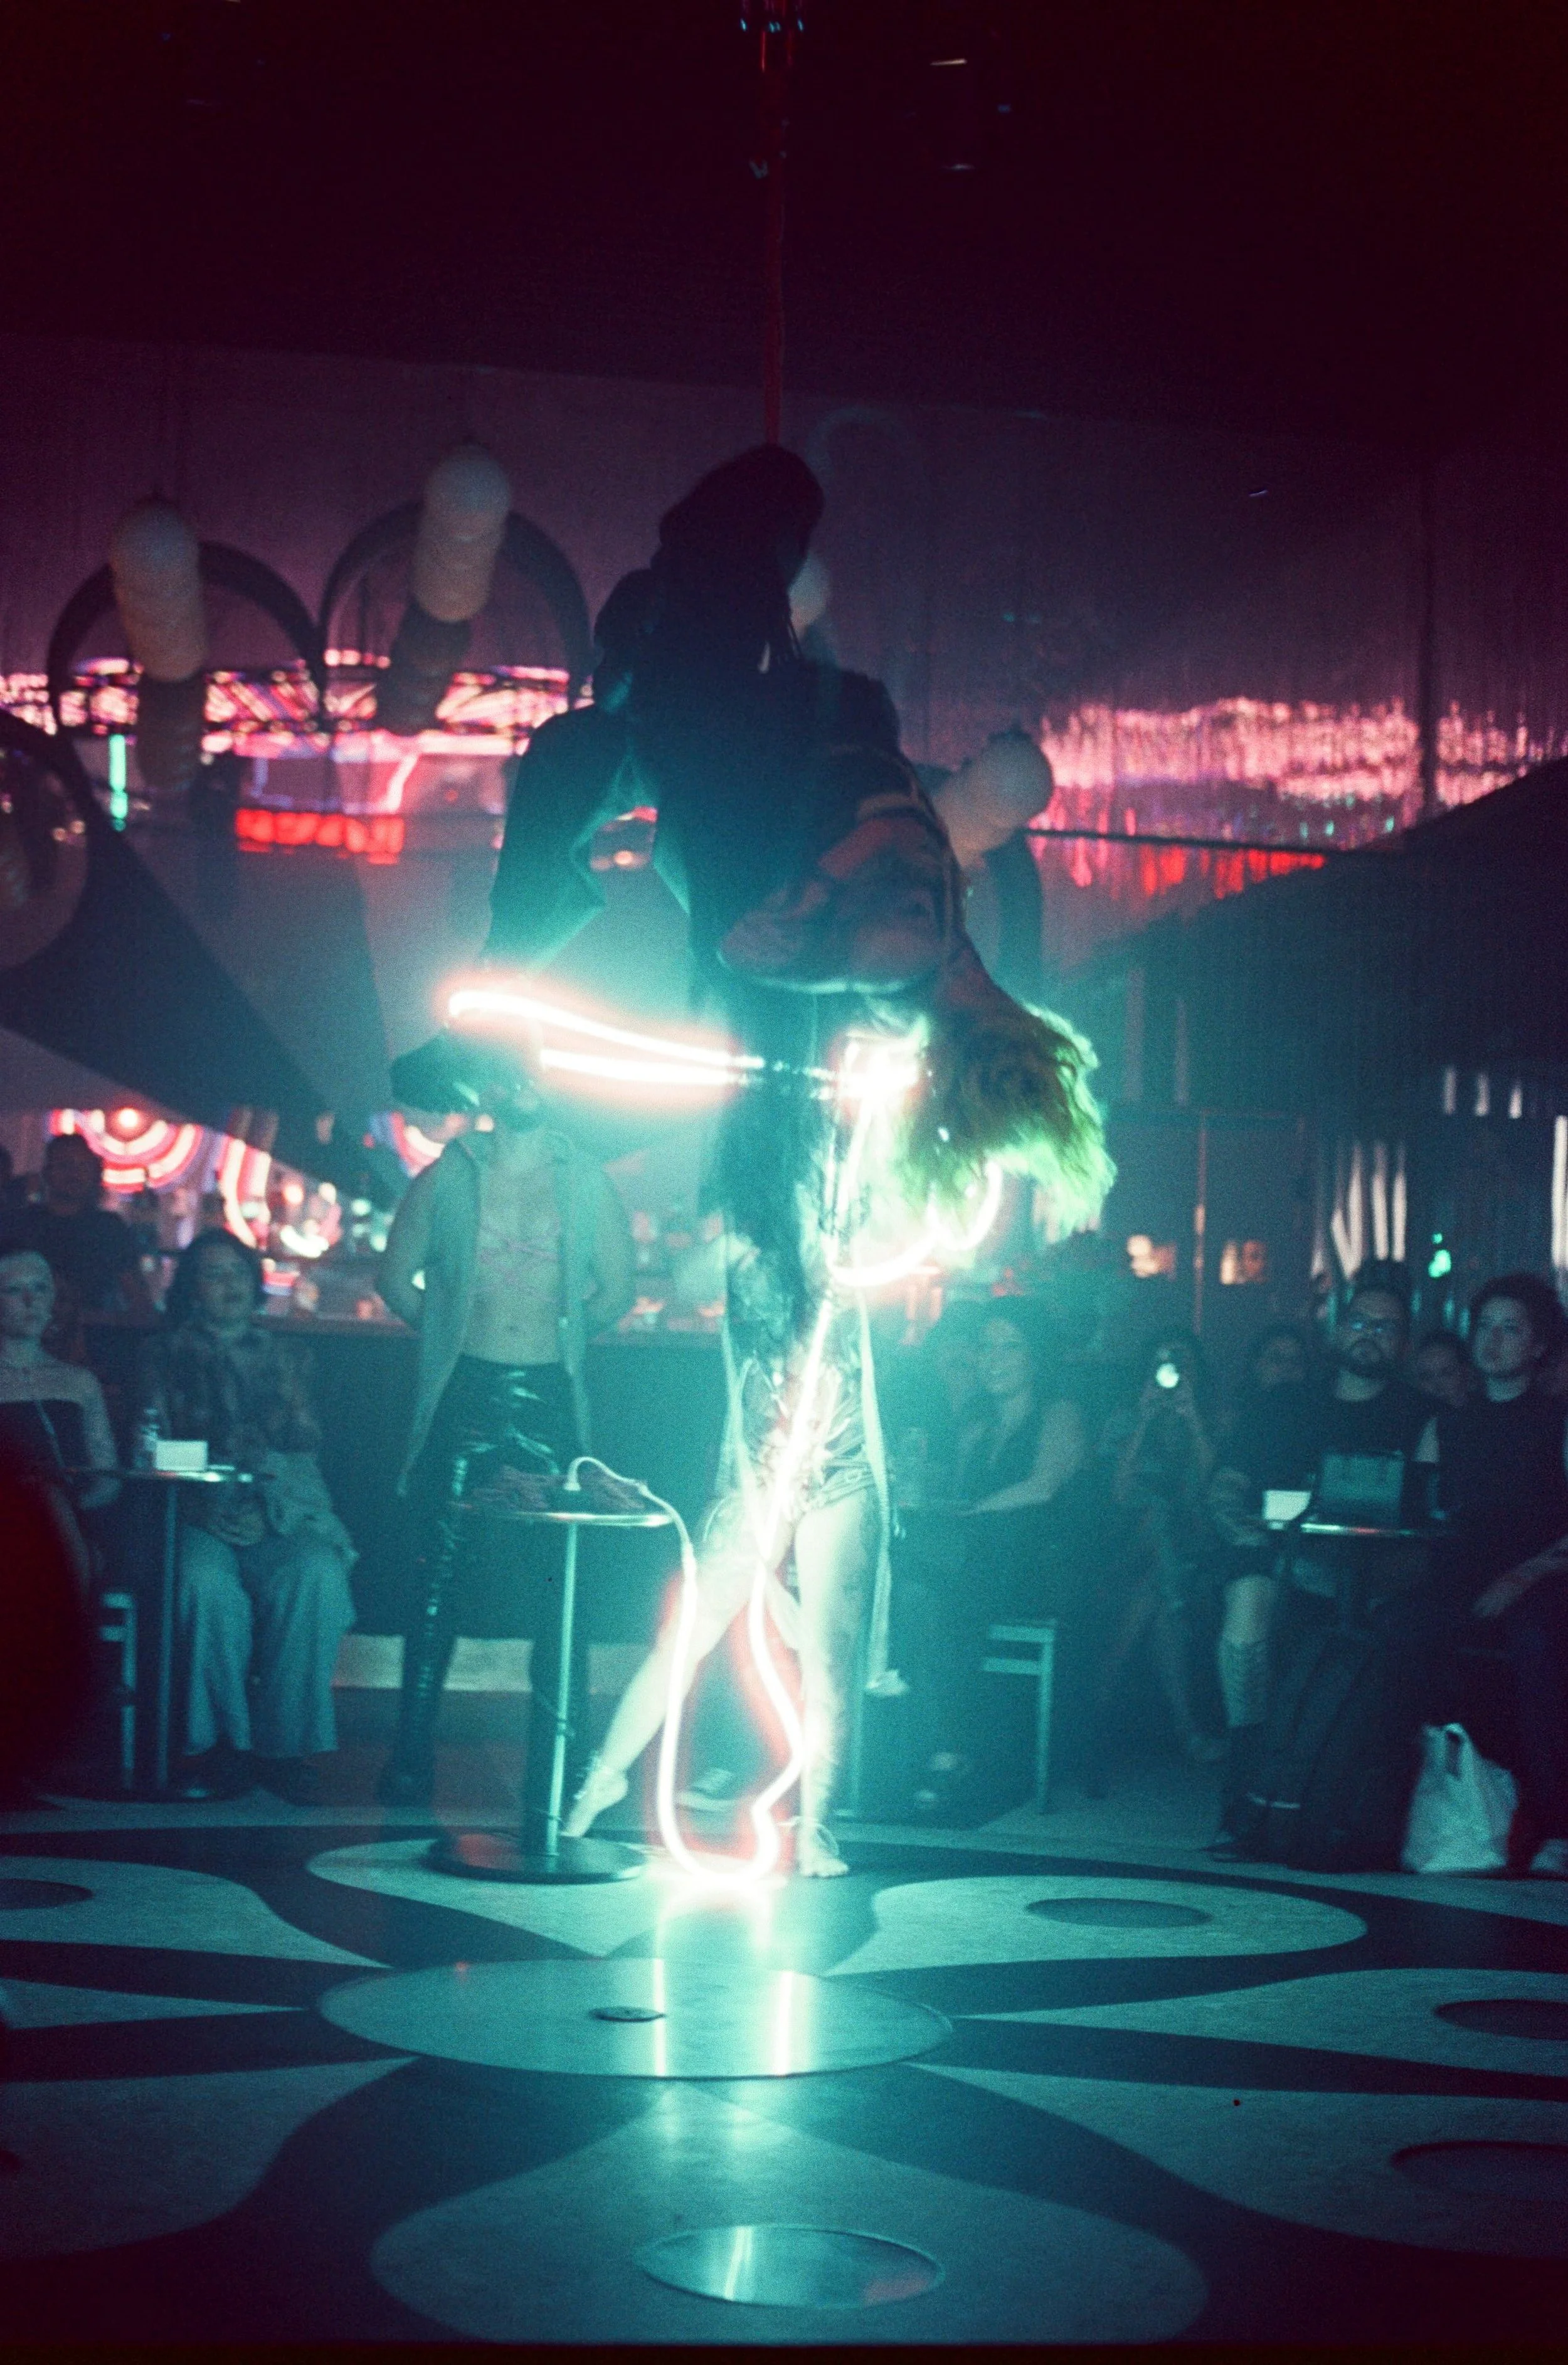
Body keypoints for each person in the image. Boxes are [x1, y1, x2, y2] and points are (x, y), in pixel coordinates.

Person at [375, 1059, 635, 1817]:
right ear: (488, 1088)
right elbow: (395, 1279)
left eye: (536, 1068)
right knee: (436, 1578)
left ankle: (560, 1754)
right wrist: (449, 1337)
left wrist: (564, 1340)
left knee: (562, 1580)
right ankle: (410, 1756)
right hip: (465, 1391)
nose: (523, 1082)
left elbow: (616, 1291)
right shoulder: (445, 1177)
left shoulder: (585, 1180)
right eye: (510, 1068)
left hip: (549, 1393)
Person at [1207, 1264, 1429, 1844]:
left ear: (1403, 1341)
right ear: (1336, 1331)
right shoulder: (1286, 1403)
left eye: (1386, 1327)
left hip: (1372, 1574)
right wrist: (1242, 1528)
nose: (1370, 1334)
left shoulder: (1419, 1414)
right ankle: (1244, 1774)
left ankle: (1320, 1797)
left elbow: (1430, 1514)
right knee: (1247, 1615)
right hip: (1277, 1558)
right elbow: (1227, 1484)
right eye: (1360, 1321)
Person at [136, 1231, 357, 1803]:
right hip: (191, 1513)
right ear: (191, 1288)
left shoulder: (290, 1359)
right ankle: (220, 1744)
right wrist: (199, 1506)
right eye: (213, 1274)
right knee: (205, 1583)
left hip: (276, 1512)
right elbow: (148, 1450)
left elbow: (304, 1453)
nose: (229, 1284)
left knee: (315, 1572)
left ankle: (285, 1746)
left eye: (237, 1271)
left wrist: (268, 1508)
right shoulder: (160, 1356)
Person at [907, 1299, 1085, 1817]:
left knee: (938, 1581)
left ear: (1035, 1357)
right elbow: (960, 1492)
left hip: (1038, 1563)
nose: (993, 1358)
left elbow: (1045, 1487)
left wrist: (974, 1512)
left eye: (1010, 1346)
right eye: (985, 1346)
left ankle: (952, 1749)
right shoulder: (976, 1424)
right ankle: (942, 1747)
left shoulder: (1060, 1412)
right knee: (921, 1594)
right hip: (975, 1563)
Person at [1416, 1274, 1568, 1876]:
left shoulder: (1557, 1422)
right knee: (1401, 1628)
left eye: (1512, 1328)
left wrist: (1524, 1575)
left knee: (1534, 1640)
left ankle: (1557, 1822)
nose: (1495, 1340)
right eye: (1485, 1326)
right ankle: (1410, 1806)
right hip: (1462, 1575)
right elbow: (1421, 1515)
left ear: (1538, 1346)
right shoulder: (1447, 1426)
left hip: (1544, 1575)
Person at [1091, 1329, 1224, 1771]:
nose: (1172, 1372)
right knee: (1150, 1517)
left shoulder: (1215, 1419)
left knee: (1154, 1596)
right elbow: (1117, 1491)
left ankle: (1100, 1698)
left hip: (1191, 1552)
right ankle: (1189, 1734)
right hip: (1125, 1548)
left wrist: (1192, 1421)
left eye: (1182, 1363)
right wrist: (1145, 1420)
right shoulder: (1124, 1418)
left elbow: (1212, 1489)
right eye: (1163, 1362)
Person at [13, 1135, 153, 1322]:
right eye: (65, 1165)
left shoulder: (109, 1229)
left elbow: (137, 1297)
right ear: (47, 1173)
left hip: (94, 1336)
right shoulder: (22, 1224)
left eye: (83, 1167)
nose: (75, 1174)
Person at [1411, 1327, 1473, 1412]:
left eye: (1447, 1374)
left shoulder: (1487, 1419)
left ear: (1466, 1373)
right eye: (1427, 1377)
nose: (1437, 1386)